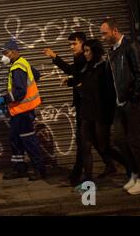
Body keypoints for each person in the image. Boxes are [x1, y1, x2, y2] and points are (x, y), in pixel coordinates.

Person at [100, 18, 140, 195]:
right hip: (120, 102)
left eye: (105, 33)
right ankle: (135, 174)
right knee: (120, 139)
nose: (103, 37)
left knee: (134, 140)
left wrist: (134, 99)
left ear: (115, 31)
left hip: (135, 101)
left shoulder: (131, 46)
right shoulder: (112, 52)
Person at [69, 39, 126, 191]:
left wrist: (108, 115)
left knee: (104, 146)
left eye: (88, 51)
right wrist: (73, 84)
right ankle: (88, 183)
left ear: (95, 51)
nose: (85, 53)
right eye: (85, 50)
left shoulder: (104, 67)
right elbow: (81, 82)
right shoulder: (88, 67)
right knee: (85, 146)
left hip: (100, 113)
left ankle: (130, 166)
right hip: (87, 112)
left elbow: (108, 94)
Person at [0, 38, 46, 181]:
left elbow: (20, 92)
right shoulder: (23, 62)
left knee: (28, 139)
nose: (4, 56)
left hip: (23, 111)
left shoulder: (18, 67)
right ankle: (19, 168)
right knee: (15, 138)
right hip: (19, 111)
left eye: (6, 53)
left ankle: (39, 169)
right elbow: (36, 75)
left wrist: (3, 99)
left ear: (15, 52)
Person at [43, 32, 88, 185]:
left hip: (87, 105)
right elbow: (73, 74)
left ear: (83, 43)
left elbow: (76, 76)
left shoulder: (84, 59)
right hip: (82, 104)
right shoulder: (80, 58)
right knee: (94, 143)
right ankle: (109, 166)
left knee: (85, 143)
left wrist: (55, 57)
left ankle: (78, 177)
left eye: (74, 44)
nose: (71, 47)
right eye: (70, 44)